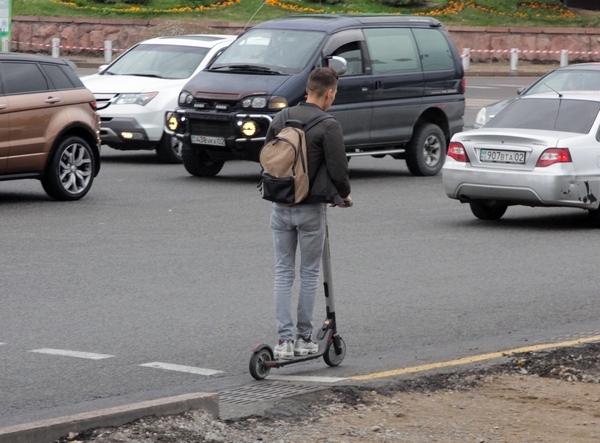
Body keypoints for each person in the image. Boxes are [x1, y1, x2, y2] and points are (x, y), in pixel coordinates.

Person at [265, 67, 352, 360]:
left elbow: (269, 155)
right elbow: (338, 169)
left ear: (307, 89)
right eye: (334, 94)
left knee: (283, 273)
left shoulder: (281, 118)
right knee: (309, 272)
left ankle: (283, 341)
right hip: (310, 208)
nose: (333, 99)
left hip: (280, 205)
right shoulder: (329, 124)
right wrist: (344, 195)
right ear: (328, 93)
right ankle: (304, 338)